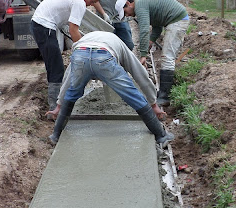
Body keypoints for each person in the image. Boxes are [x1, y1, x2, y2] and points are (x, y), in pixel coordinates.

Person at [46, 31, 174, 148]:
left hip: (80, 54)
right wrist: (153, 103)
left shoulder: (85, 40)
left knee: (72, 93)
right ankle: (161, 136)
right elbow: (140, 74)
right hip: (104, 56)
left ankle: (55, 135)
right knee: (133, 95)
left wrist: (58, 106)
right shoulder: (119, 43)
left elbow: (69, 79)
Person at [32, 0, 104, 110]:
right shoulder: (79, 2)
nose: (91, 5)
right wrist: (84, 52)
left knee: (53, 64)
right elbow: (73, 30)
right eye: (92, 1)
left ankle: (56, 102)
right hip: (44, 26)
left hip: (39, 23)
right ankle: (55, 107)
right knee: (56, 67)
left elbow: (70, 29)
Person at [116, 0, 189, 106]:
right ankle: (163, 93)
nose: (127, 15)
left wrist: (143, 54)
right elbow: (157, 27)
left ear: (128, 3)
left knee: (167, 57)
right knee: (166, 57)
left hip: (177, 20)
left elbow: (144, 30)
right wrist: (151, 41)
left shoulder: (140, 6)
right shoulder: (143, 5)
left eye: (125, 12)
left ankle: (165, 97)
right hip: (175, 19)